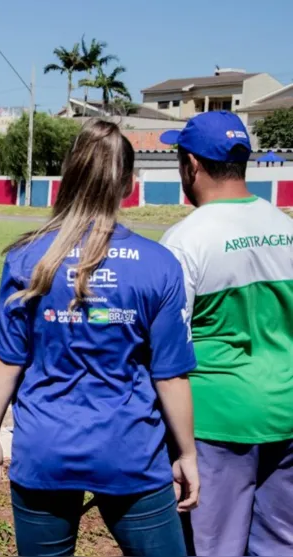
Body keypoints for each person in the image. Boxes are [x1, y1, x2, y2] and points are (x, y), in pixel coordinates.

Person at [0, 120, 199, 557]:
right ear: (130, 185)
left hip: (45, 450)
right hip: (132, 451)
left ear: (67, 178)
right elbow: (170, 375)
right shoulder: (159, 263)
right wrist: (187, 454)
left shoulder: (28, 257)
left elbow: (8, 360)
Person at [158, 111, 293, 556]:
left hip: (216, 424)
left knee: (212, 548)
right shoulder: (286, 228)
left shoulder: (184, 240)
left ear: (191, 164)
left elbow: (167, 348)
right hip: (286, 412)